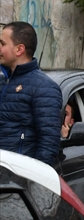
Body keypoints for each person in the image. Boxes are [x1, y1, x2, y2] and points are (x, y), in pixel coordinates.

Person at [0, 21, 63, 167]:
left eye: (2, 43)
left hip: (19, 179)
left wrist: (32, 181)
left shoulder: (44, 87)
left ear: (19, 49)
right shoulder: (3, 82)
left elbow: (48, 143)